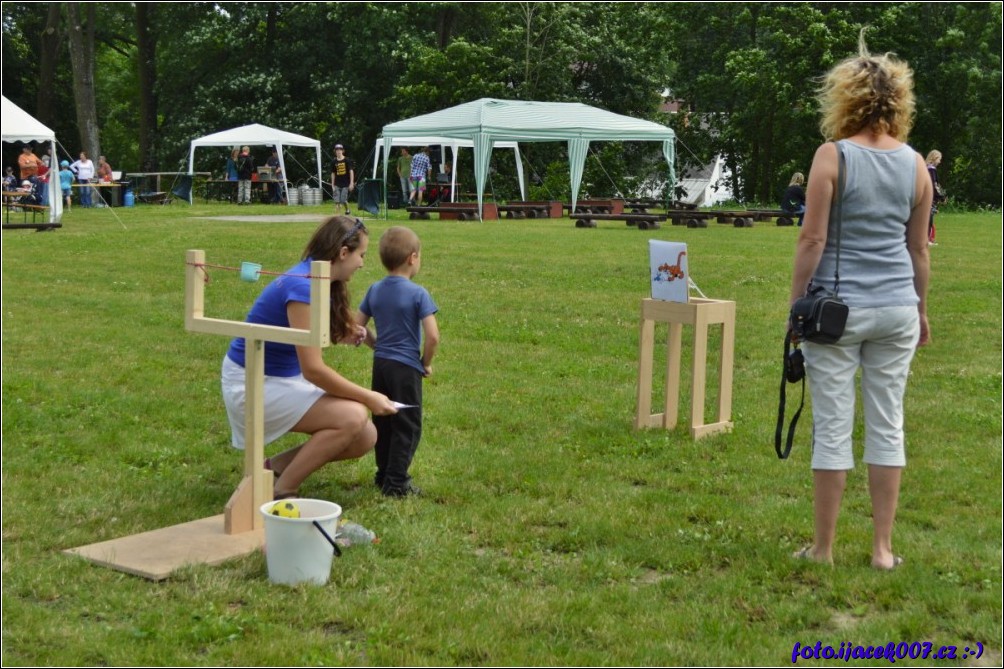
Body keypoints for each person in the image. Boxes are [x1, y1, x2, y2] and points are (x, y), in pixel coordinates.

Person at [787, 32, 931, 571]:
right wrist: (920, 309)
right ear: (899, 103)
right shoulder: (916, 164)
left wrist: (794, 305)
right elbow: (919, 247)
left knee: (832, 424)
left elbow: (812, 239)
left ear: (844, 99)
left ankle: (823, 549)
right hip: (896, 306)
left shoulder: (832, 156)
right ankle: (882, 550)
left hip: (835, 311)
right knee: (887, 422)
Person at [221, 216, 399, 499]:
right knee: (354, 417)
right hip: (251, 382)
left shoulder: (316, 279)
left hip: (276, 378)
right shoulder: (303, 288)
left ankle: (273, 470)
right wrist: (369, 397)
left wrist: (342, 332)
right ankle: (282, 492)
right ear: (343, 253)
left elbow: (299, 333)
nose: (363, 263)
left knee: (366, 436)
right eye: (361, 255)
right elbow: (314, 370)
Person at [357, 227, 440, 497]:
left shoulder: (375, 289)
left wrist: (376, 344)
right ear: (413, 258)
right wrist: (425, 363)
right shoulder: (418, 294)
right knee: (407, 424)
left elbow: (357, 327)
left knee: (384, 421)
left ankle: (383, 474)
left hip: (381, 364)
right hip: (405, 368)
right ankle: (396, 482)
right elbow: (433, 337)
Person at [925, 150, 945, 246]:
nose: (940, 162)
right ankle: (927, 240)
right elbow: (934, 185)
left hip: (925, 197)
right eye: (939, 159)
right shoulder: (931, 170)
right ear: (934, 158)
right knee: (929, 218)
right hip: (930, 198)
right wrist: (941, 197)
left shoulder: (925, 169)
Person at [330, 144, 355, 216]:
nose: (338, 151)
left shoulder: (347, 160)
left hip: (346, 184)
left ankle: (347, 210)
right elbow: (333, 173)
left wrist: (351, 183)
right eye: (337, 150)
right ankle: (338, 216)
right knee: (337, 200)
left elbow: (351, 171)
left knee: (343, 200)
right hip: (337, 184)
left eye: (340, 150)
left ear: (342, 151)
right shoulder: (333, 162)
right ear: (335, 151)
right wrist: (332, 185)